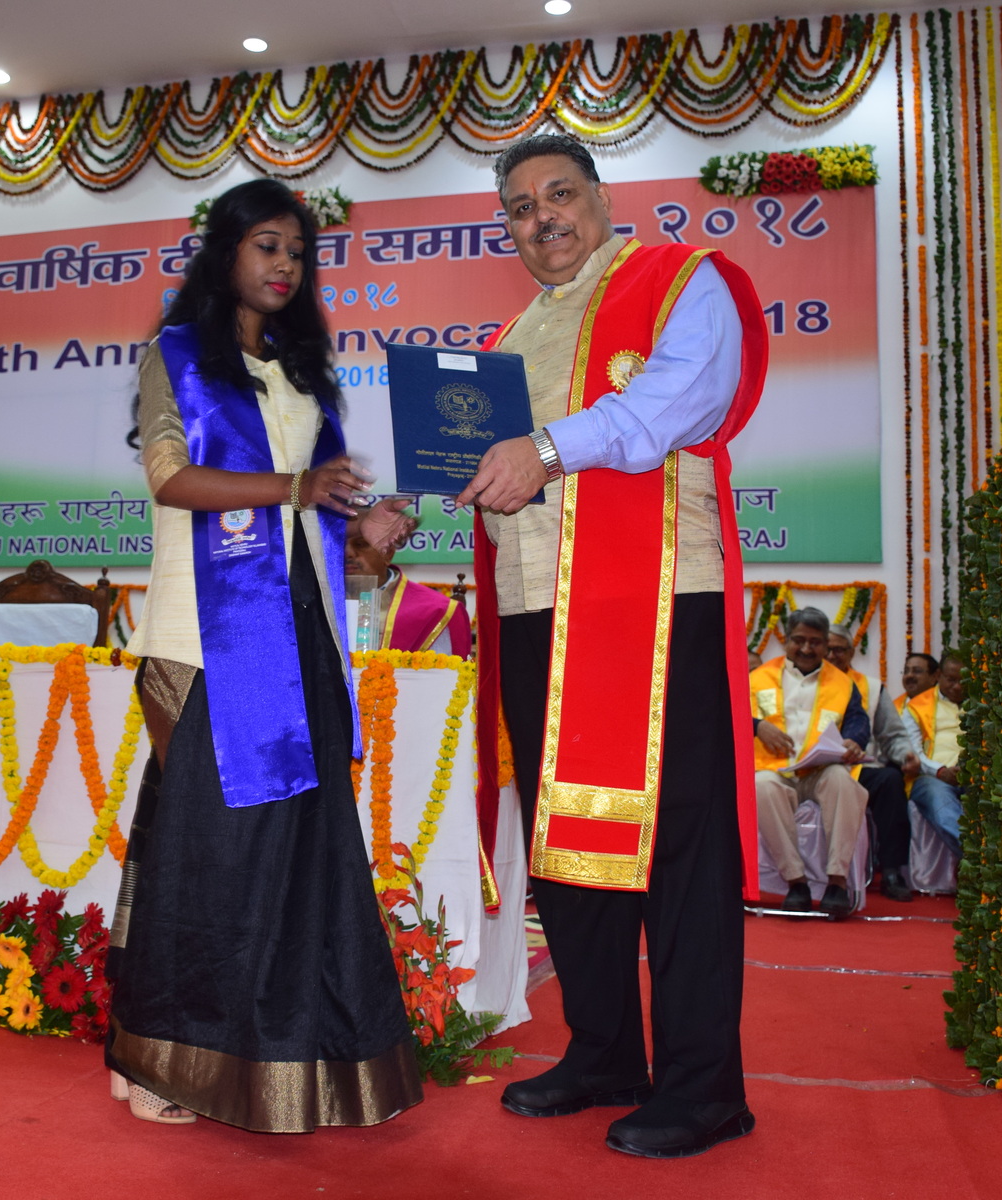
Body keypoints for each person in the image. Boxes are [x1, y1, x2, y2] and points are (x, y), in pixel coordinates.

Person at [458, 134, 768, 1159]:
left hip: (654, 597)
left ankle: (703, 1087)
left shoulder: (676, 282)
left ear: (600, 198)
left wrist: (543, 451)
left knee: (679, 843)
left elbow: (677, 402)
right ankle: (602, 1051)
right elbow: (500, 470)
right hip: (532, 603)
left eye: (559, 194)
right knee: (567, 838)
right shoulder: (509, 337)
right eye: (519, 208)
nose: (541, 218)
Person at [107, 178, 422, 1133]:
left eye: (298, 253)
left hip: (304, 635)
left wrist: (367, 527)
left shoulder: (302, 374)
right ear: (226, 253)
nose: (285, 266)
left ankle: (288, 1059)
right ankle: (161, 1064)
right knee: (209, 854)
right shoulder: (176, 355)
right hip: (205, 644)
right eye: (267, 246)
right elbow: (171, 478)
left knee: (297, 857)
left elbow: (314, 517)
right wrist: (296, 486)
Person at [750, 608, 871, 918]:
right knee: (761, 788)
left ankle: (837, 882)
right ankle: (796, 882)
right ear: (786, 641)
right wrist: (757, 726)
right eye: (799, 640)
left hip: (819, 770)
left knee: (843, 781)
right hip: (773, 769)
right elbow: (731, 715)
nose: (806, 648)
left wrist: (853, 740)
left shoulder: (843, 683)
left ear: (826, 644)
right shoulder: (757, 678)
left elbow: (858, 721)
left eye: (815, 642)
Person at [825, 625, 923, 901]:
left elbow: (892, 735)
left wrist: (906, 755)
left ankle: (891, 871)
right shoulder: (806, 683)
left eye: (839, 650)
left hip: (859, 767)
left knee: (890, 780)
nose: (831, 656)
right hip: (814, 769)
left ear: (851, 653)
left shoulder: (870, 687)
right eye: (827, 649)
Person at [344, 516, 471, 656]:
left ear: (388, 553)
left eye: (361, 544)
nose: (347, 553)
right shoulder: (323, 605)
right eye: (337, 544)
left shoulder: (438, 611)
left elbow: (447, 669)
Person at [902, 649, 965, 852]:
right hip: (931, 777)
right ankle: (975, 857)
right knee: (942, 805)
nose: (957, 686)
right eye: (951, 680)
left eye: (963, 680)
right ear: (938, 675)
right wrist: (940, 771)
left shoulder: (982, 703)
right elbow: (913, 753)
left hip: (973, 775)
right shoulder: (916, 707)